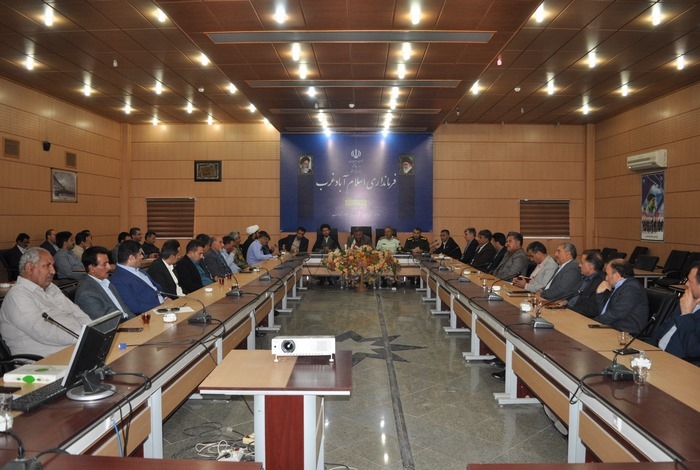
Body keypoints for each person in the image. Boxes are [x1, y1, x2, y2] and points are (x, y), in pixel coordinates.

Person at [0, 247, 91, 356]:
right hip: (44, 360)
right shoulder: (17, 296)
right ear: (29, 268)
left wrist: (91, 331)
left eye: (53, 266)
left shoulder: (51, 288)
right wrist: (82, 336)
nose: (53, 271)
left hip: (75, 346)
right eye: (47, 266)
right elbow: (42, 332)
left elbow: (77, 313)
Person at [650, 261, 700, 360]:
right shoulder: (687, 300)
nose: (686, 284)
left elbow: (694, 351)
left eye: (690, 281)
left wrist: (686, 314)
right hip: (657, 354)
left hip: (679, 363)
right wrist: (645, 350)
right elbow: (663, 328)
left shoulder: (686, 304)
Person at [110, 240, 171, 315]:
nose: (142, 257)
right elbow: (135, 307)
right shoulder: (118, 280)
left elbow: (156, 288)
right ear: (131, 258)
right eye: (140, 254)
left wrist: (165, 298)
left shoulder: (139, 270)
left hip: (165, 305)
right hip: (152, 313)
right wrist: (161, 305)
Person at [74, 246, 134, 320]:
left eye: (108, 263)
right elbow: (107, 321)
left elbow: (125, 309)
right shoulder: (86, 294)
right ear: (92, 268)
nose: (109, 267)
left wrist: (136, 320)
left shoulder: (108, 282)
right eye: (104, 264)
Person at [592, 259, 649, 335]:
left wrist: (592, 322)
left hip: (627, 333)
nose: (606, 278)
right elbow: (604, 312)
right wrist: (600, 294)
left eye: (607, 274)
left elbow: (616, 314)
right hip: (614, 326)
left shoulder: (631, 288)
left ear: (617, 275)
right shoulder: (620, 285)